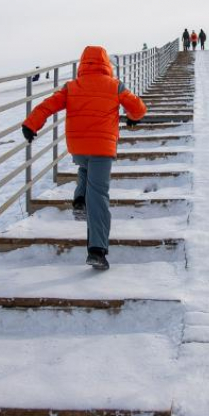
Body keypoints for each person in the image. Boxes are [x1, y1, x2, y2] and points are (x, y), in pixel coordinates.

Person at [22, 46, 147, 270]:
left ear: (83, 64)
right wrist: (133, 117)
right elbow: (138, 107)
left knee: (85, 167)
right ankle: (97, 250)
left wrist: (31, 124)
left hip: (78, 147)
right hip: (102, 147)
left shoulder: (71, 86)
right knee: (98, 194)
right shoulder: (115, 85)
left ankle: (80, 199)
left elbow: (48, 105)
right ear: (105, 63)